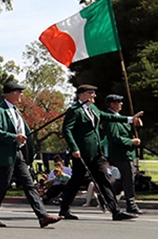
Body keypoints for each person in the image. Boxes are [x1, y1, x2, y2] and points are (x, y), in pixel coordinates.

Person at [59, 84, 142, 221]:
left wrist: (129, 119)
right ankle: (64, 209)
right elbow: (66, 130)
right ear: (83, 94)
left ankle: (115, 211)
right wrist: (74, 148)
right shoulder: (74, 110)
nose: (94, 96)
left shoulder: (93, 108)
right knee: (76, 181)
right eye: (91, 93)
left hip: (96, 152)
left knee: (103, 180)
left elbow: (107, 116)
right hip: (82, 153)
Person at [0, 82, 61, 229]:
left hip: (19, 153)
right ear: (11, 93)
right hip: (6, 154)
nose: (22, 95)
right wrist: (14, 137)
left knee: (29, 185)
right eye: (19, 92)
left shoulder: (16, 111)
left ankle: (43, 216)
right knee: (3, 185)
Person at [102, 94, 142, 215]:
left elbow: (125, 131)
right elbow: (115, 138)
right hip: (120, 154)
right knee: (128, 178)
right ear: (112, 104)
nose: (121, 104)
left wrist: (136, 125)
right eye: (119, 102)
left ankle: (105, 196)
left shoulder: (118, 117)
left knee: (125, 178)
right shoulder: (111, 118)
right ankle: (131, 204)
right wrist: (131, 141)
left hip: (127, 153)